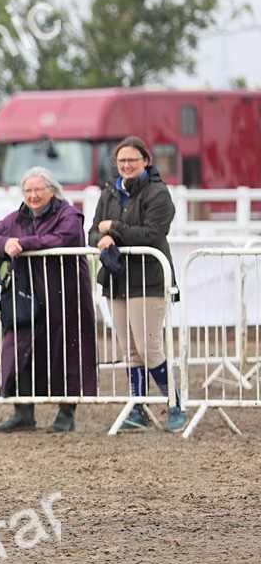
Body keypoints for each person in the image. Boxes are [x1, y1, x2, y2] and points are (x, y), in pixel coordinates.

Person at [0, 167, 98, 432]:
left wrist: (21, 242)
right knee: (18, 351)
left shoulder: (68, 214)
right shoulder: (16, 217)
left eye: (38, 190)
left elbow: (63, 238)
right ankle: (23, 412)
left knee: (66, 353)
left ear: (51, 190)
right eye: (28, 190)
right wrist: (4, 244)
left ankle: (66, 413)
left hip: (66, 296)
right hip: (26, 297)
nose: (32, 195)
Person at [88, 136, 182, 432]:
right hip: (116, 280)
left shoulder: (158, 194)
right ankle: (137, 408)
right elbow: (93, 230)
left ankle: (174, 403)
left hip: (149, 280)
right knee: (128, 348)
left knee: (148, 346)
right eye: (122, 161)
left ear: (145, 161)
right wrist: (100, 238)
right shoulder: (109, 192)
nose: (126, 165)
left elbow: (151, 234)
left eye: (132, 160)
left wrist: (113, 228)